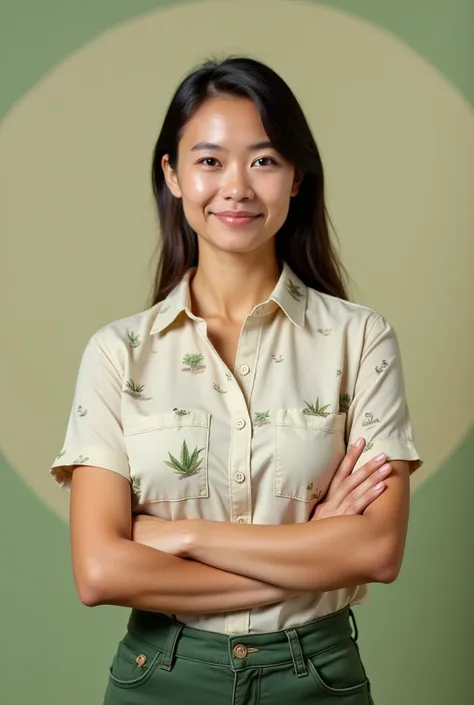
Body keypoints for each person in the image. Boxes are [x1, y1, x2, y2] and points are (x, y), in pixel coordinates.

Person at [50, 56, 422, 705]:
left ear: (297, 176)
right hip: (158, 675)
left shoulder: (360, 341)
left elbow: (376, 549)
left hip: (319, 676)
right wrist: (308, 547)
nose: (238, 187)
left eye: (265, 159)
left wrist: (181, 535)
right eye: (210, 160)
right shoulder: (118, 354)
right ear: (172, 174)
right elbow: (101, 569)